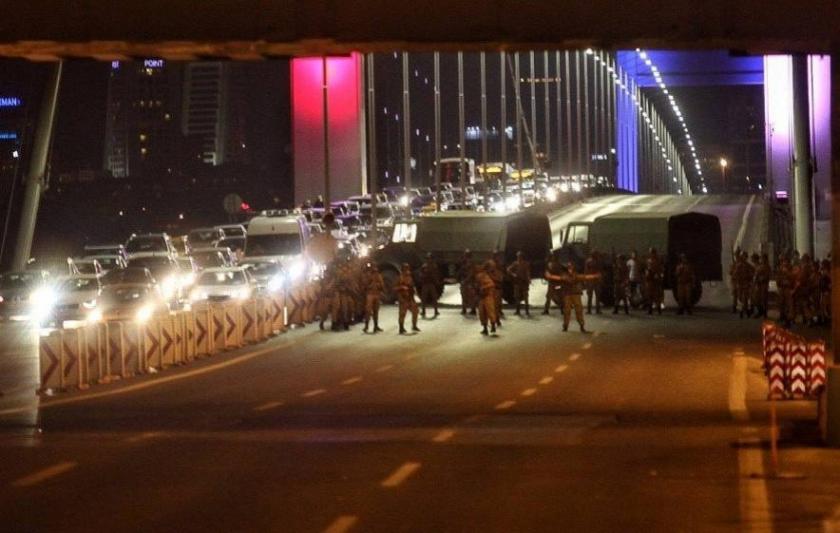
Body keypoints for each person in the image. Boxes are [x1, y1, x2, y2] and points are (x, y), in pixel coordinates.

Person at [548, 262, 599, 332]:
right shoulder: (565, 275)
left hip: (575, 294)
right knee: (567, 311)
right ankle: (566, 326)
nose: (570, 268)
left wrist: (594, 276)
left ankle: (581, 325)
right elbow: (559, 278)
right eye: (569, 267)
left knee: (579, 310)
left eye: (571, 267)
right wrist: (550, 276)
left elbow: (585, 277)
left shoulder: (576, 275)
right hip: (568, 294)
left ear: (573, 267)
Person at [395, 263, 420, 334]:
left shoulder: (409, 277)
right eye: (405, 268)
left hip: (410, 298)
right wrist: (402, 288)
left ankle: (414, 325)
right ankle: (401, 327)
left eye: (408, 268)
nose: (407, 270)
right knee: (402, 314)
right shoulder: (400, 278)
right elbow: (394, 288)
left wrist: (414, 294)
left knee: (415, 311)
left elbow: (412, 287)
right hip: (403, 298)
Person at [475, 261, 498, 335]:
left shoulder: (483, 275)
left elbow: (491, 284)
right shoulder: (483, 275)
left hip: (487, 295)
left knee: (489, 311)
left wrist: (482, 288)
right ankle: (486, 328)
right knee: (483, 312)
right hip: (484, 296)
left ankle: (491, 326)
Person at [506, 251, 532, 316]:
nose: (519, 257)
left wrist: (528, 279)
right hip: (517, 282)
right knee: (517, 297)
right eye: (518, 256)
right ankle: (518, 311)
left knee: (526, 297)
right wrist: (513, 274)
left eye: (520, 256)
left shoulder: (526, 264)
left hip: (524, 282)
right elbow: (508, 269)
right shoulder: (515, 263)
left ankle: (527, 311)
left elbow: (527, 272)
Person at [362, 263, 384, 333]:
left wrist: (378, 285)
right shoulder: (367, 276)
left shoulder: (379, 276)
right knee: (368, 311)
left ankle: (376, 326)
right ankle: (366, 326)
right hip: (370, 294)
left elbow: (382, 285)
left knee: (376, 311)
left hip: (376, 294)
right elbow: (364, 285)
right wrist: (370, 282)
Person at [419, 252, 441, 318]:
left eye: (430, 258)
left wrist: (437, 281)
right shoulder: (424, 266)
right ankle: (423, 311)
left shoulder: (434, 266)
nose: (429, 260)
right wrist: (423, 277)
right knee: (424, 298)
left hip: (431, 284)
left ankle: (436, 310)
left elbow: (436, 274)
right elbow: (420, 274)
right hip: (425, 284)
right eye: (428, 258)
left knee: (434, 298)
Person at [734, 252, 755, 318]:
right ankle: (744, 310)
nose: (744, 258)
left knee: (745, 298)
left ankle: (743, 311)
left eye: (745, 256)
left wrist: (749, 277)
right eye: (743, 256)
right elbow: (735, 274)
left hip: (746, 284)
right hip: (740, 284)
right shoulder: (739, 266)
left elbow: (753, 272)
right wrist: (737, 280)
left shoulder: (748, 266)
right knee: (740, 298)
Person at [644, 248, 664, 315]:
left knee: (656, 296)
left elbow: (660, 270)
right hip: (649, 280)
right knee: (649, 295)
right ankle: (650, 310)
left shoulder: (658, 261)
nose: (651, 254)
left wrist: (658, 275)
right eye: (650, 252)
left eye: (652, 252)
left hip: (655, 280)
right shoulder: (648, 261)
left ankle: (659, 310)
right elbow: (647, 269)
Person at [776, 256, 794, 327]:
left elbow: (792, 278)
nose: (784, 263)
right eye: (783, 261)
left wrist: (787, 273)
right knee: (781, 303)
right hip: (782, 288)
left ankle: (788, 320)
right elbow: (778, 277)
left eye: (785, 261)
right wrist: (779, 283)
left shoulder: (790, 269)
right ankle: (782, 316)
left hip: (788, 289)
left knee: (788, 305)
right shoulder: (781, 269)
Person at [543, 250, 563, 315]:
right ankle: (562, 309)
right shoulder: (557, 264)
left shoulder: (553, 264)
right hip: (555, 283)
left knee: (554, 296)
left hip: (554, 283)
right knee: (552, 296)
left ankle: (547, 310)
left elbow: (552, 272)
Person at [752, 254, 771, 319]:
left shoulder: (767, 266)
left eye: (763, 258)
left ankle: (764, 313)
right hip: (758, 285)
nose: (762, 260)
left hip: (764, 284)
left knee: (764, 299)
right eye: (762, 258)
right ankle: (760, 311)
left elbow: (767, 275)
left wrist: (762, 278)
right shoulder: (759, 266)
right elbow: (756, 274)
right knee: (757, 299)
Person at [458, 249, 477, 315]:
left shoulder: (470, 263)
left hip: (469, 282)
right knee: (465, 296)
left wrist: (465, 280)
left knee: (469, 296)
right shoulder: (465, 262)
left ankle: (469, 309)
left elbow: (471, 273)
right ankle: (466, 309)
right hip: (467, 281)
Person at [487, 258, 504, 327]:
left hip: (497, 290)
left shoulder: (498, 272)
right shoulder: (488, 273)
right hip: (490, 291)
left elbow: (500, 281)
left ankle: (497, 319)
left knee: (496, 306)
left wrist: (493, 279)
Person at [492, 249, 507, 321]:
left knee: (498, 299)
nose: (495, 257)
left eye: (496, 255)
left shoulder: (499, 264)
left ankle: (499, 311)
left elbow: (503, 272)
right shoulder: (492, 264)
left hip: (498, 283)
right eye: (495, 255)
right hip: (493, 283)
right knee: (494, 299)